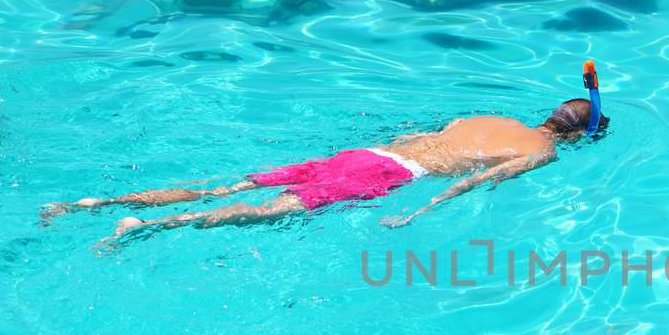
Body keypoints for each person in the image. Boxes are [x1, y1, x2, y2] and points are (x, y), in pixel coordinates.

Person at [42, 95, 609, 244]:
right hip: (385, 177)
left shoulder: (487, 115)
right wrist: (422, 210)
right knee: (265, 214)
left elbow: (415, 137)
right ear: (578, 136)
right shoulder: (542, 153)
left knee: (219, 186)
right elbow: (474, 182)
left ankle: (88, 204)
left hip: (362, 157)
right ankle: (147, 228)